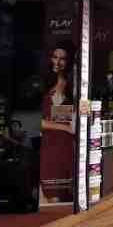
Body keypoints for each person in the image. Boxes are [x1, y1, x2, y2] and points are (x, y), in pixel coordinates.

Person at [40, 45, 76, 204]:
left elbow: (65, 116)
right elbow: (39, 121)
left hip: (66, 147)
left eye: (62, 59)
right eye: (55, 57)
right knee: (53, 197)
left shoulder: (69, 84)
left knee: (66, 197)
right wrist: (65, 127)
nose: (58, 62)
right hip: (50, 146)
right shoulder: (42, 82)